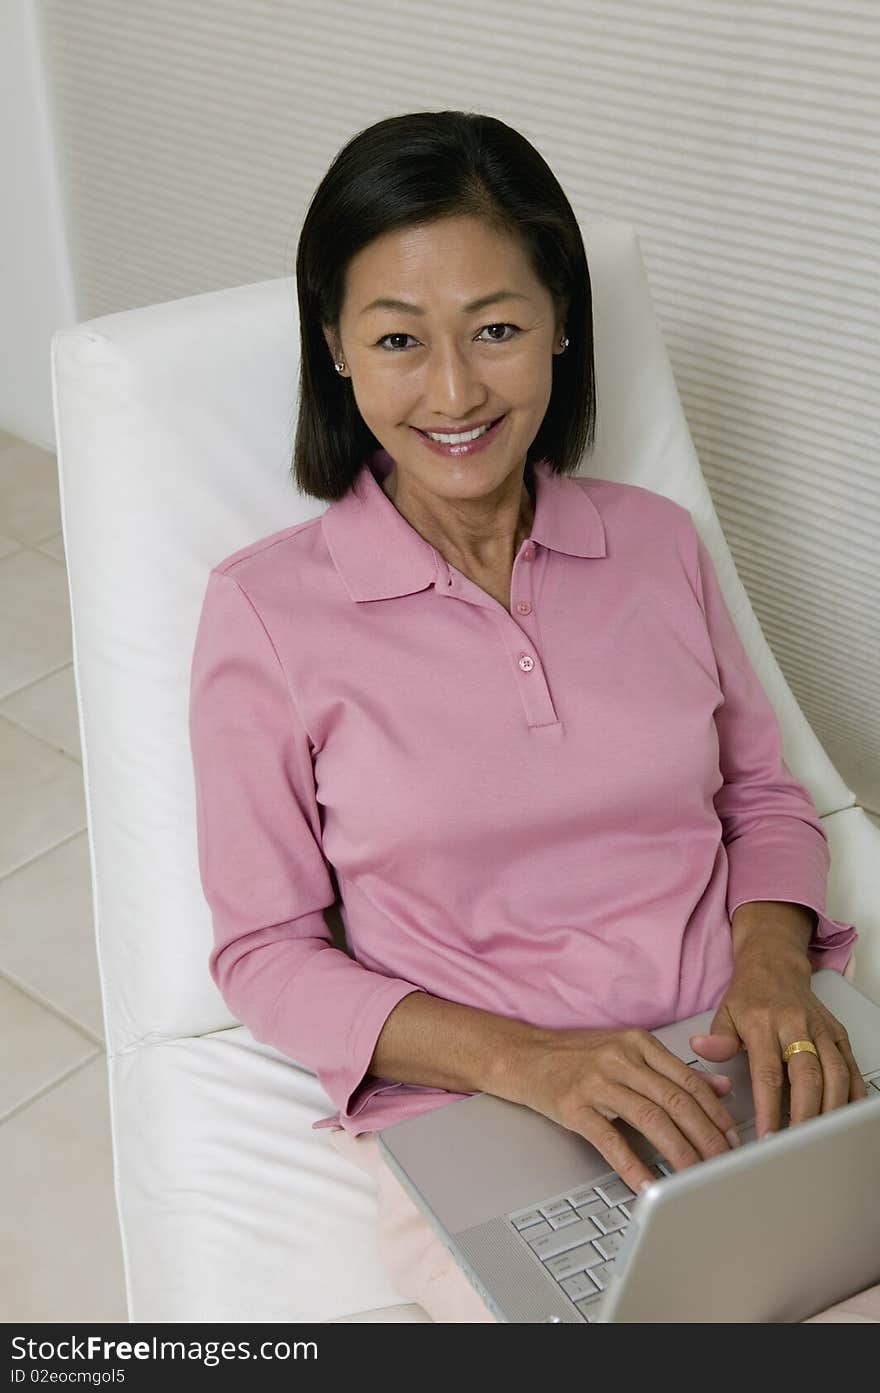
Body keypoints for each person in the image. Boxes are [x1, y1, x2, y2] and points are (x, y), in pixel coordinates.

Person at [188, 110, 877, 1323]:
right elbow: (264, 951)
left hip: (733, 1056)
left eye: (497, 329)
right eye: (399, 338)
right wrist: (528, 1061)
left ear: (563, 322)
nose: (453, 391)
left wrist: (775, 971)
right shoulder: (265, 611)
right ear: (335, 349)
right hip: (487, 1110)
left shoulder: (657, 546)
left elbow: (761, 797)